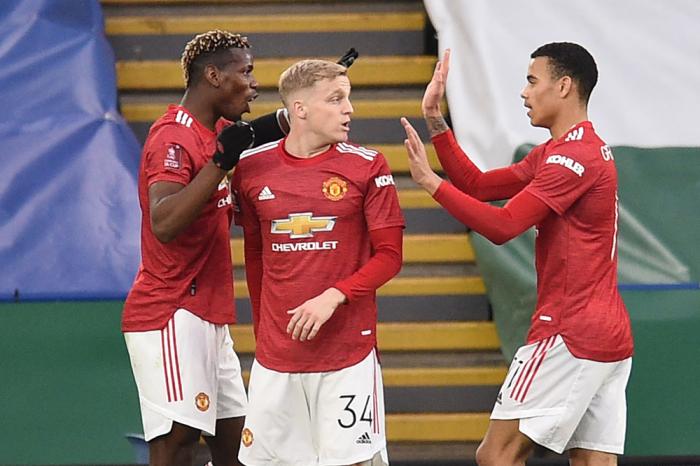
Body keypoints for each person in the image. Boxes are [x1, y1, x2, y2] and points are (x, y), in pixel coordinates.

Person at [402, 43, 634, 466]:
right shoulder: (568, 150)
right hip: (608, 334)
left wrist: (432, 184)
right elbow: (478, 185)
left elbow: (503, 225)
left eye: (532, 81)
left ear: (563, 86)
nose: (524, 93)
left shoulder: (571, 159)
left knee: (497, 455)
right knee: (593, 461)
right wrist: (435, 118)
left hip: (568, 332)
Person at [231, 59, 405, 466]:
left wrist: (334, 295)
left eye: (348, 98)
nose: (349, 109)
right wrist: (263, 331)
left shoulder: (367, 165)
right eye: (336, 99)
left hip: (347, 354)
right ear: (300, 109)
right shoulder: (251, 168)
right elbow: (255, 256)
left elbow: (390, 256)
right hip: (277, 357)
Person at [121, 30, 280, 466]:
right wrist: (220, 164)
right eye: (245, 72)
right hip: (170, 311)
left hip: (209, 313)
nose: (254, 83)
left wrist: (311, 101)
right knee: (178, 442)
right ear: (213, 75)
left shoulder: (219, 132)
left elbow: (259, 132)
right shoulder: (172, 137)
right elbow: (164, 222)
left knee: (238, 447)